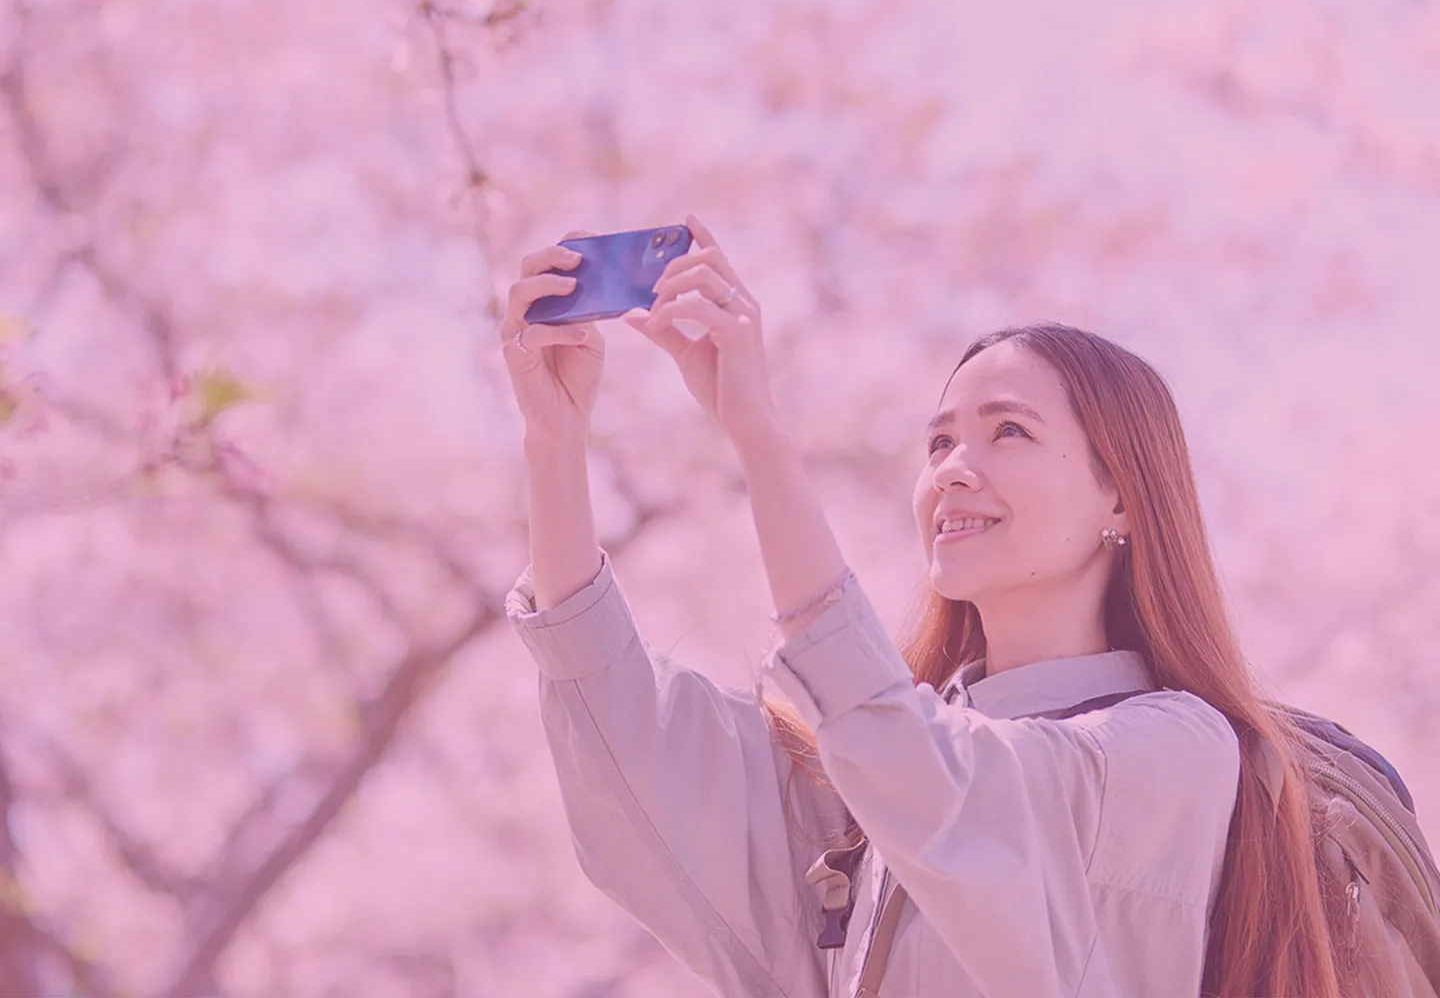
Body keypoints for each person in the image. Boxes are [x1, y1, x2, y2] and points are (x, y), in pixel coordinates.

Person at [499, 217, 1361, 997]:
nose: (951, 466)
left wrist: (761, 440)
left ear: (1124, 500)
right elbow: (630, 734)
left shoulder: (1173, 749)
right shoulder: (866, 791)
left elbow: (946, 783)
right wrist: (556, 443)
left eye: (1009, 431)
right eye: (940, 440)